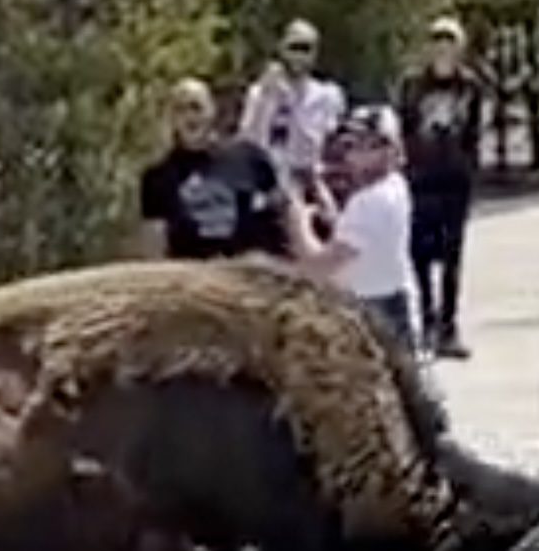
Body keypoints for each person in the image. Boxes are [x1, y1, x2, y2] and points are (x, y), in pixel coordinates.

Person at [283, 103, 417, 355]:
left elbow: (317, 267)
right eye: (352, 144)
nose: (353, 154)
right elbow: (357, 238)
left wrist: (297, 221)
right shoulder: (395, 186)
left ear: (388, 149)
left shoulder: (368, 202)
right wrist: (330, 209)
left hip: (371, 309)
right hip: (392, 301)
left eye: (366, 145)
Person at [397, 14, 486, 359]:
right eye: (437, 41)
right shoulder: (412, 86)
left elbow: (475, 133)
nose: (443, 48)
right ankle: (427, 322)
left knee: (451, 257)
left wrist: (469, 170)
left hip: (455, 181)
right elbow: (404, 128)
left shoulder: (470, 87)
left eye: (449, 41)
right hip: (421, 180)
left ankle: (449, 327)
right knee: (420, 255)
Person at [137, 77, 289, 261]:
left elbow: (282, 214)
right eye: (180, 109)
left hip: (244, 273)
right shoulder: (157, 177)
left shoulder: (248, 157)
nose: (189, 116)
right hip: (190, 279)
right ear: (172, 118)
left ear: (211, 111)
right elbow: (154, 249)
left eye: (196, 107)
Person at [238, 19, 346, 206]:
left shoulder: (326, 96)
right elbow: (248, 143)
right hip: (265, 191)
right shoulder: (259, 93)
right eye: (294, 47)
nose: (299, 55)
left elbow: (317, 149)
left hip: (305, 190)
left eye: (306, 49)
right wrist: (266, 100)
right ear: (282, 49)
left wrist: (293, 104)